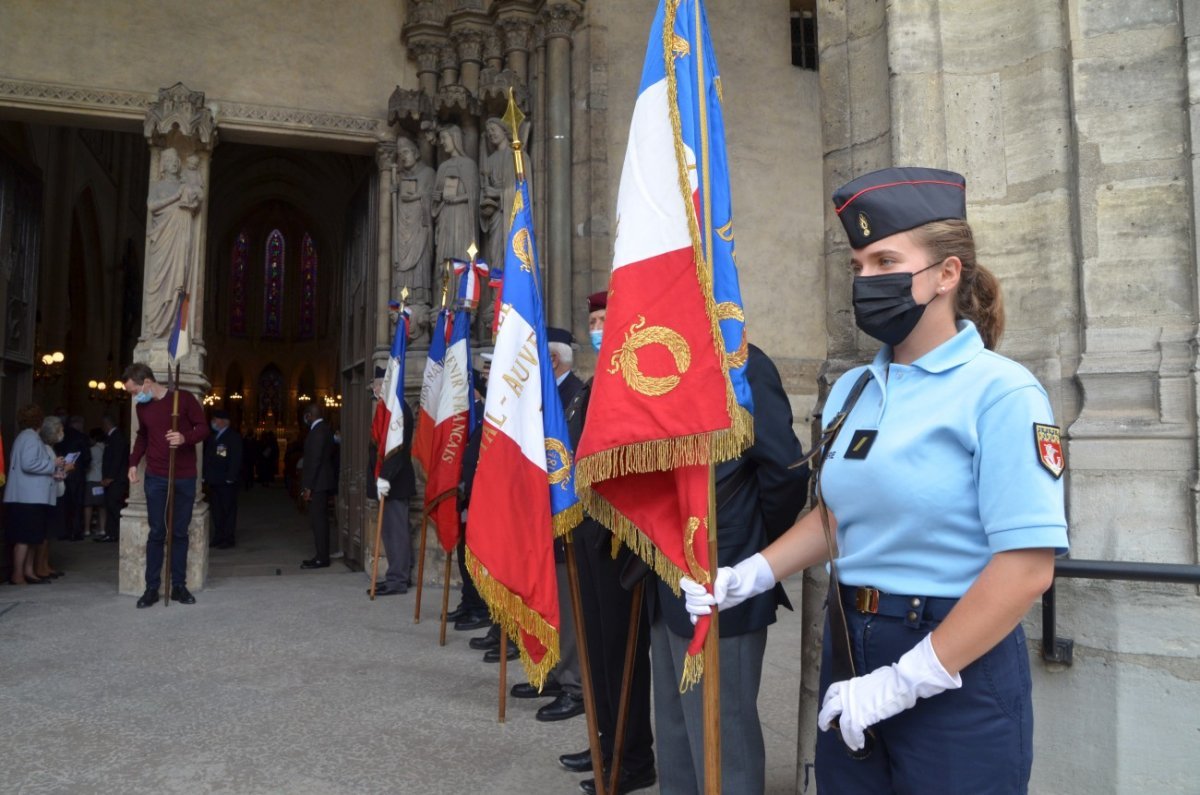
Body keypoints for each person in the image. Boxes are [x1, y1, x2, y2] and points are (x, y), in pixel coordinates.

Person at [684, 167, 1069, 794]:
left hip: (953, 663)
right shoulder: (854, 390)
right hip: (850, 645)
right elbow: (838, 516)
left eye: (886, 260)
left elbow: (1027, 567)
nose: (866, 280)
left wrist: (906, 679)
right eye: (858, 265)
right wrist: (750, 574)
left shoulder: (1001, 393)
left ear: (947, 274)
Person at [648, 344, 809, 794]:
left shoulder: (744, 361)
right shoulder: (656, 354)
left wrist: (754, 544)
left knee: (723, 741)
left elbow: (787, 471)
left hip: (724, 570)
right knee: (677, 735)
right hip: (665, 571)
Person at [559, 291, 656, 795]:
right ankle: (603, 744)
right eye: (593, 319)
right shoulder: (588, 389)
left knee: (622, 658)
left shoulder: (632, 382)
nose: (598, 327)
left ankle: (632, 756)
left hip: (618, 544)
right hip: (585, 536)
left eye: (605, 319)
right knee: (597, 653)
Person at [512, 326, 587, 721]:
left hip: (567, 522)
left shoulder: (575, 396)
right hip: (542, 520)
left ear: (552, 360)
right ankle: (556, 673)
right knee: (550, 602)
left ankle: (574, 685)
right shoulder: (552, 396)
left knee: (569, 609)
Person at [123, 362, 209, 608]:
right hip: (156, 476)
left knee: (179, 532)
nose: (133, 395)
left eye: (133, 390)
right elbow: (142, 437)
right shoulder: (143, 407)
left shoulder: (183, 400)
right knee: (157, 532)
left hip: (184, 475)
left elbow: (202, 429)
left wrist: (185, 437)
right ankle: (151, 588)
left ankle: (179, 586)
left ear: (147, 383)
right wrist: (132, 463)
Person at [4, 404, 65, 585]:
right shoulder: (30, 438)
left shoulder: (27, 437)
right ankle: (18, 574)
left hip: (29, 495)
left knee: (31, 538)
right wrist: (52, 464)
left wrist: (51, 471)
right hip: (27, 497)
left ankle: (28, 572)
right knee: (24, 539)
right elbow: (28, 464)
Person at [368, 368, 416, 596]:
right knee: (390, 530)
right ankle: (396, 575)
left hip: (395, 481)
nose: (374, 390)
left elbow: (396, 449)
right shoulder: (385, 410)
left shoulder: (399, 410)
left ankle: (398, 579)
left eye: (377, 385)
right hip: (386, 481)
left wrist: (385, 477)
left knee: (396, 531)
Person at [300, 403, 337, 569]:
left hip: (318, 483)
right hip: (322, 481)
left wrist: (308, 486)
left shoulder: (318, 431)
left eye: (305, 415)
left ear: (309, 415)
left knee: (318, 521)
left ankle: (322, 557)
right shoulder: (325, 429)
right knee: (319, 520)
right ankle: (321, 555)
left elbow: (314, 461)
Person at [204, 409, 243, 549]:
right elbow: (209, 457)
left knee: (228, 510)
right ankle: (218, 536)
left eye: (216, 419)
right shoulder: (214, 436)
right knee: (217, 510)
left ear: (224, 421)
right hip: (214, 480)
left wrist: (231, 477)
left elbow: (235, 459)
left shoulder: (233, 437)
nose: (213, 422)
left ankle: (228, 537)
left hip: (226, 481)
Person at [53, 412, 91, 541]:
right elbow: (87, 457)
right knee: (77, 503)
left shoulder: (60, 437)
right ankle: (76, 532)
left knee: (62, 503)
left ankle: (62, 531)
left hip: (59, 472)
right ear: (78, 424)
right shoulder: (81, 437)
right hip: (77, 474)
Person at [96, 414, 128, 544]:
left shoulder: (117, 438)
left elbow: (117, 459)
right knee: (109, 506)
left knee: (114, 506)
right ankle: (111, 533)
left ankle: (120, 533)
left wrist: (110, 477)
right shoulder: (112, 437)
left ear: (107, 424)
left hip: (116, 480)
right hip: (112, 479)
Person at [83, 428, 107, 538]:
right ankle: (102, 529)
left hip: (91, 479)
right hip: (102, 480)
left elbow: (87, 463)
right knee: (102, 506)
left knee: (88, 505)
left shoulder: (92, 450)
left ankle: (87, 530)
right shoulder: (106, 449)